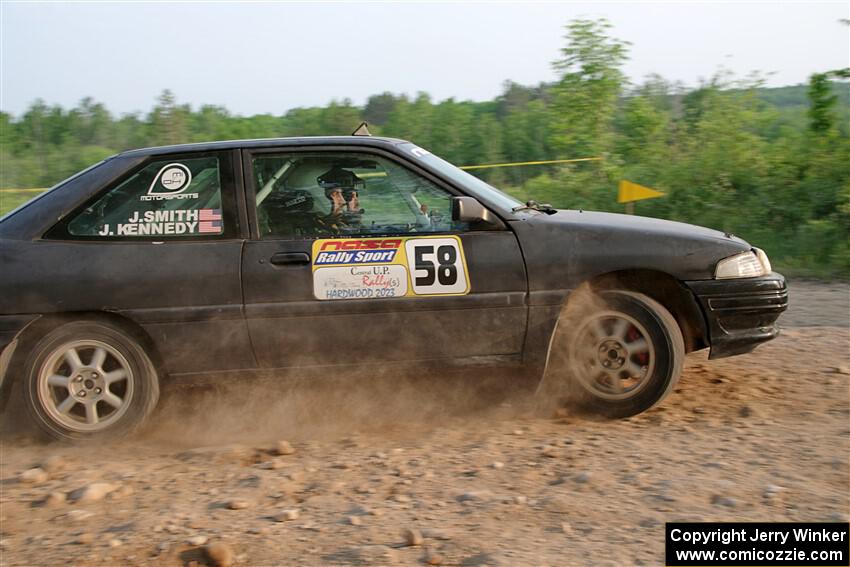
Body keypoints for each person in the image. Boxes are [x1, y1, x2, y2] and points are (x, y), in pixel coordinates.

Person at [316, 166, 364, 233]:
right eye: (349, 195)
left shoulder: (351, 223)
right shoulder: (322, 226)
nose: (357, 202)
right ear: (335, 195)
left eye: (356, 195)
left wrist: (355, 217)